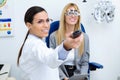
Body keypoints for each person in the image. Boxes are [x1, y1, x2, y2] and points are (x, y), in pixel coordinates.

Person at [17, 6, 83, 80]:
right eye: (40, 22)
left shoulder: (38, 42)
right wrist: (66, 46)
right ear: (29, 25)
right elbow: (52, 60)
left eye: (47, 20)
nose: (46, 25)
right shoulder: (34, 44)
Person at [49, 3, 90, 80]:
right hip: (60, 74)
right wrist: (64, 78)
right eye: (70, 12)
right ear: (64, 16)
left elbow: (85, 62)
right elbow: (53, 62)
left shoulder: (84, 37)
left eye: (75, 13)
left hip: (78, 74)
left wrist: (82, 77)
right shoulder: (54, 36)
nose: (73, 15)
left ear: (78, 16)